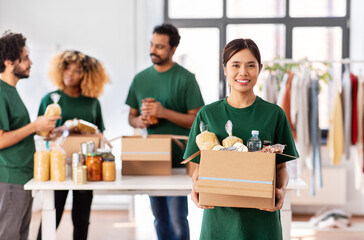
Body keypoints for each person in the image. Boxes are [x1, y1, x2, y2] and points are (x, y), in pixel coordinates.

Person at [184, 38, 299, 239]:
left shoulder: (274, 114)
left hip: (262, 220)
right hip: (219, 220)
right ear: (225, 69)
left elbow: (281, 167)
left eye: (250, 65)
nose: (243, 72)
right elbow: (199, 167)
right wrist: (196, 187)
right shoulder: (207, 114)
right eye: (235, 65)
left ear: (260, 68)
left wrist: (281, 190)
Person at [125, 23, 204, 240]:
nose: (153, 50)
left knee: (178, 219)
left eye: (160, 46)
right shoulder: (140, 79)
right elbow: (130, 117)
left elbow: (196, 121)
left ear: (173, 49)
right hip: (152, 159)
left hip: (181, 161)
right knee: (159, 218)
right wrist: (139, 121)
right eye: (152, 44)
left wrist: (163, 112)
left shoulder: (186, 79)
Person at [37, 50, 109, 240]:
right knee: (53, 213)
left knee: (82, 217)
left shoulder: (93, 103)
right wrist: (62, 129)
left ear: (86, 75)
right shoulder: (50, 99)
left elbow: (100, 133)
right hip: (58, 164)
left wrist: (85, 131)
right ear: (60, 71)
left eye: (77, 71)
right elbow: (41, 133)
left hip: (86, 165)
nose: (70, 74)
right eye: (67, 69)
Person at [0, 31, 60, 240]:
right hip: (9, 177)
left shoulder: (11, 91)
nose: (30, 62)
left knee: (20, 234)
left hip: (22, 176)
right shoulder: (0, 93)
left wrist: (43, 130)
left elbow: (17, 133)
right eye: (24, 58)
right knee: (9, 234)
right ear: (9, 62)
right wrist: (34, 125)